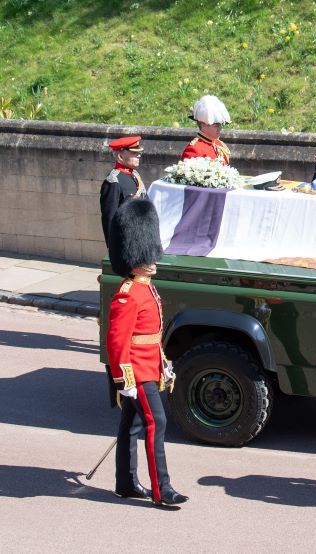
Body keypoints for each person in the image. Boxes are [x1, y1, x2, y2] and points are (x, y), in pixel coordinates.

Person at [106, 198, 188, 506]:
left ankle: (125, 482)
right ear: (134, 255)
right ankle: (161, 489)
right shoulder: (127, 295)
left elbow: (150, 337)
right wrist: (123, 379)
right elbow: (117, 341)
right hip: (136, 373)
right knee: (158, 422)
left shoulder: (146, 287)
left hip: (148, 366)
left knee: (133, 424)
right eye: (147, 255)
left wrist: (163, 364)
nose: (153, 260)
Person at [100, 136, 147, 247]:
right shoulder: (113, 181)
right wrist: (113, 247)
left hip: (141, 237)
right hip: (126, 242)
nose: (139, 155)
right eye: (134, 153)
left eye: (138, 153)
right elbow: (109, 218)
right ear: (120, 156)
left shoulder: (134, 175)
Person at [181, 95, 231, 164]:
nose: (220, 128)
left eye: (220, 125)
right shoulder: (195, 149)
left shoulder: (219, 144)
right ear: (203, 124)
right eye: (216, 125)